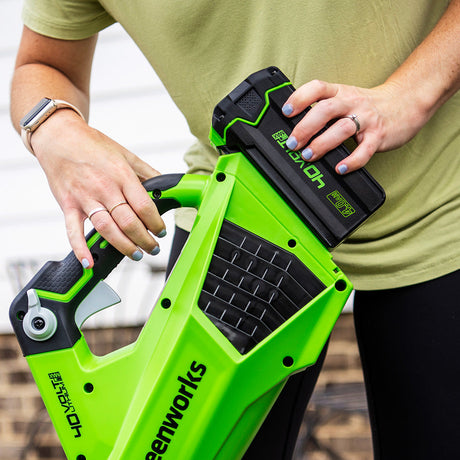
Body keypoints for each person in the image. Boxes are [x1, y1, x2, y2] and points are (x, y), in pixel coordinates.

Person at [10, 1, 460, 458]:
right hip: (235, 222)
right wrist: (53, 129)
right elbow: (43, 63)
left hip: (436, 207)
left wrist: (413, 92)